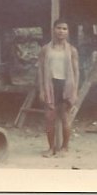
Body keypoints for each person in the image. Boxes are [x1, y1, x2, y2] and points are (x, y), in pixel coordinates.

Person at [37, 19, 79, 157]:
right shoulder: (45, 49)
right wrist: (42, 90)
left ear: (68, 32)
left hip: (66, 85)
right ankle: (51, 148)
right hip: (51, 85)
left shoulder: (72, 50)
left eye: (64, 28)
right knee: (50, 118)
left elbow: (76, 71)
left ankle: (65, 148)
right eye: (59, 28)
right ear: (53, 30)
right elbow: (41, 71)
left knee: (66, 118)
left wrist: (75, 91)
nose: (61, 31)